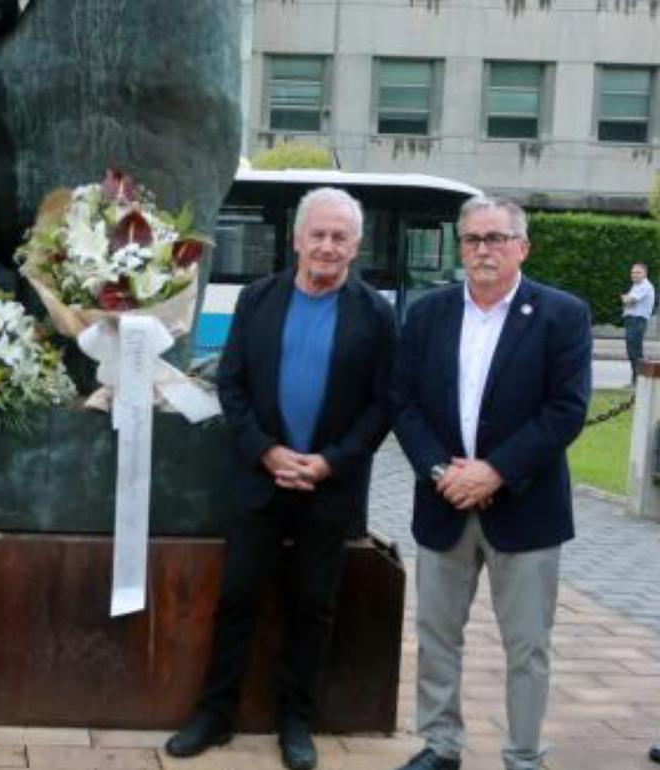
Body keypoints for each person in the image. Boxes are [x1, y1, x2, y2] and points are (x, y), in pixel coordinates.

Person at [164, 188, 397, 769]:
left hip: (329, 486)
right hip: (259, 481)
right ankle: (214, 714)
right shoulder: (257, 299)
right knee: (237, 597)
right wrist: (268, 452)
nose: (326, 245)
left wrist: (330, 461)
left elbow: (383, 404)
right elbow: (233, 385)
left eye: (339, 236)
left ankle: (296, 720)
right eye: (317, 234)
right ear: (296, 239)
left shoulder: (377, 314)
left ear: (355, 245)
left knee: (313, 606)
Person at [390, 197, 592, 770]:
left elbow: (566, 409)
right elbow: (401, 402)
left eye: (496, 238)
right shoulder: (428, 315)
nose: (483, 249)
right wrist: (439, 470)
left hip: (526, 509)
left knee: (527, 646)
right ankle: (440, 745)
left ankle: (523, 754)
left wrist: (495, 470)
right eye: (473, 238)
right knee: (436, 639)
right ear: (461, 247)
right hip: (443, 500)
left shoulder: (562, 314)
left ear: (521, 247)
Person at [621, 262, 654, 383]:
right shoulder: (636, 286)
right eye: (633, 272)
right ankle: (636, 378)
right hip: (631, 320)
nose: (634, 275)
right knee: (631, 350)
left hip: (637, 320)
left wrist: (626, 299)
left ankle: (639, 379)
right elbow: (627, 301)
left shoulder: (645, 286)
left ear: (645, 273)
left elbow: (630, 300)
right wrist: (626, 300)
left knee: (635, 351)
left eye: (638, 272)